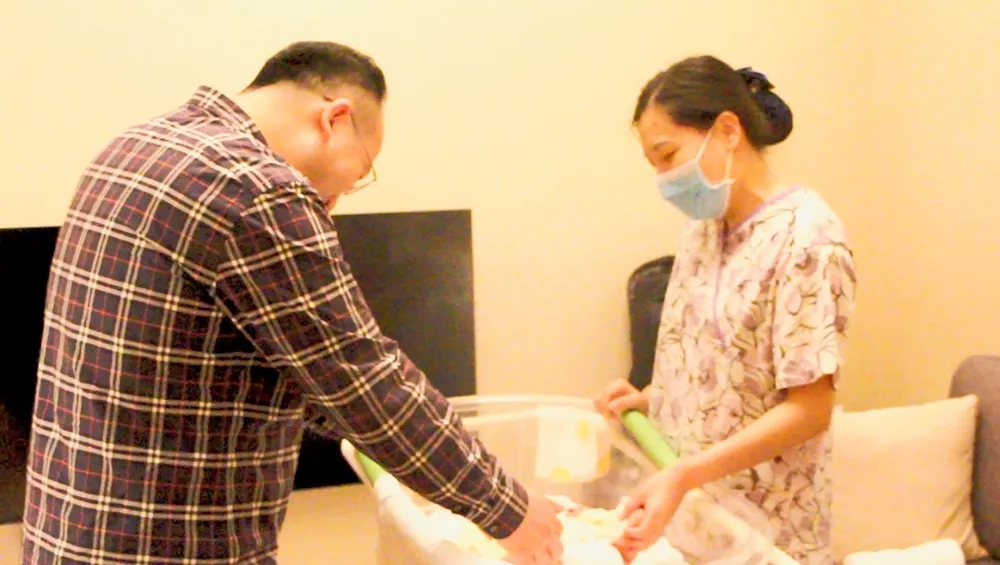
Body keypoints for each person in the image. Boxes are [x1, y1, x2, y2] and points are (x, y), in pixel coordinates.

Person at [21, 42, 563, 565]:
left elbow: (280, 362)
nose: (335, 202)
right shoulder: (255, 190)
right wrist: (508, 509)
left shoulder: (138, 146)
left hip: (70, 528)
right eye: (360, 173)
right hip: (170, 545)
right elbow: (363, 380)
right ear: (335, 119)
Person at [595, 56, 857, 565]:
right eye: (654, 165)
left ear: (728, 131)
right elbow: (722, 371)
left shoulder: (807, 238)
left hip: (766, 534)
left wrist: (685, 474)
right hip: (694, 520)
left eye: (668, 156)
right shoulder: (703, 232)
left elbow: (810, 408)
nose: (664, 179)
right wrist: (650, 399)